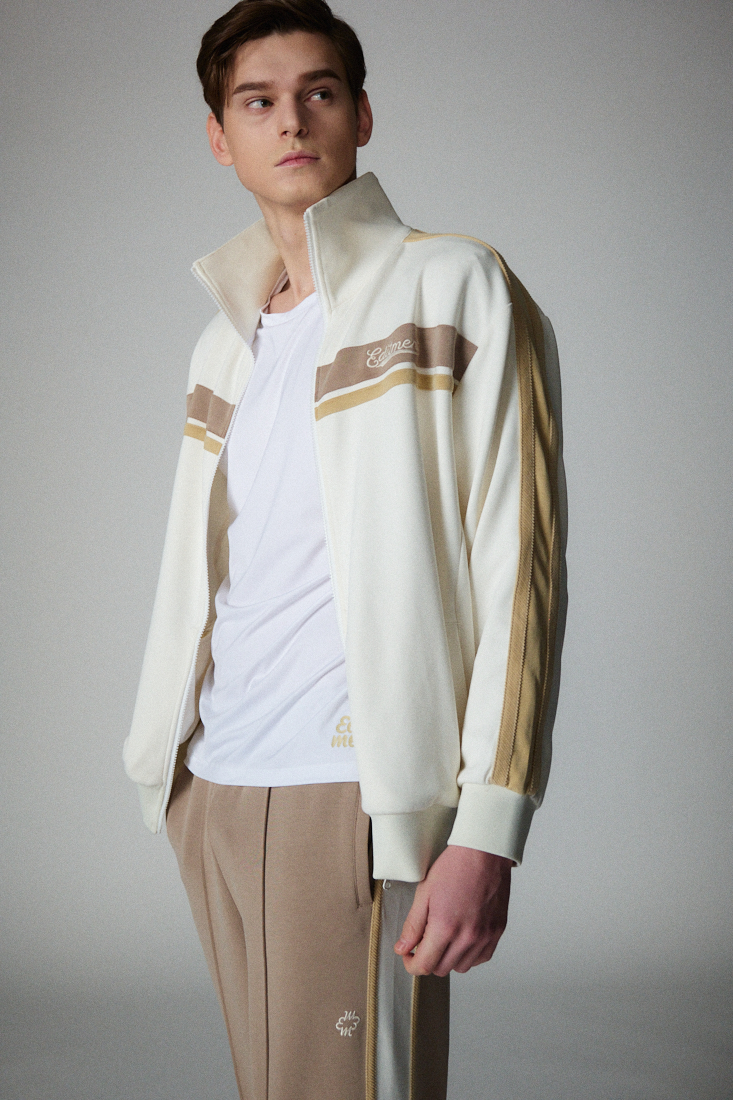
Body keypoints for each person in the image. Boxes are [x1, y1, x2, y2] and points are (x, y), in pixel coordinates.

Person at [123, 2, 566, 1098]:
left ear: (361, 115)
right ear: (220, 137)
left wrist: (487, 825)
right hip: (216, 786)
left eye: (318, 92)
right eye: (257, 101)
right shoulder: (225, 341)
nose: (292, 120)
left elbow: (520, 566)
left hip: (354, 793)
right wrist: (174, 776)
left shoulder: (453, 284)